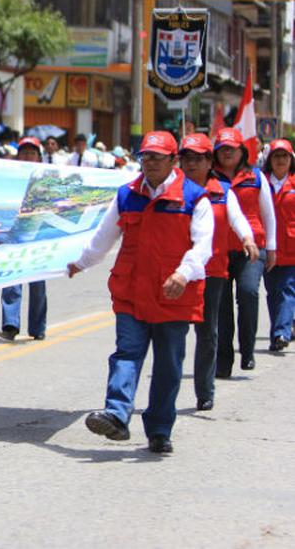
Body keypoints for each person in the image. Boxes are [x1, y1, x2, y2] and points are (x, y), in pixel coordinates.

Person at [67, 131, 212, 453]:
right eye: (145, 157)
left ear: (174, 161)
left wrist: (183, 273)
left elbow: (203, 247)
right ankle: (117, 415)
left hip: (173, 295)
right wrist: (80, 263)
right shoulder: (126, 195)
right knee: (126, 354)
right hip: (132, 291)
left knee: (168, 365)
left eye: (157, 158)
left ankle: (160, 429)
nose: (149, 163)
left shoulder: (194, 198)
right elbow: (103, 239)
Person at [178, 133, 256, 411]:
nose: (191, 164)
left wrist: (247, 239)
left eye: (198, 158)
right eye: (186, 158)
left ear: (209, 161)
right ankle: (166, 390)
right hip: (176, 272)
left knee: (207, 332)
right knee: (173, 333)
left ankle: (205, 390)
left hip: (212, 271)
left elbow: (237, 219)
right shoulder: (172, 189)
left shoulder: (223, 191)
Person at [212, 127, 276, 375]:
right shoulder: (209, 178)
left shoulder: (257, 176)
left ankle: (247, 350)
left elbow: (268, 214)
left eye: (232, 148)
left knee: (249, 293)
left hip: (253, 247)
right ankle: (223, 360)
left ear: (242, 151)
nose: (227, 153)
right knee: (222, 306)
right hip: (218, 249)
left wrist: (272, 248)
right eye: (223, 149)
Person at [0, 136, 48, 342]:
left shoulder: (47, 180)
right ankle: (10, 324)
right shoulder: (10, 178)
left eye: (32, 152)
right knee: (12, 279)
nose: (28, 155)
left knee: (37, 283)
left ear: (39, 157)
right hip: (14, 235)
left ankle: (37, 327)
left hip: (38, 236)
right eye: (24, 152)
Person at [264, 139, 295, 352]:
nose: (281, 161)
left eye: (284, 156)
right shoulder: (261, 183)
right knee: (273, 292)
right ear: (270, 160)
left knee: (287, 290)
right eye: (277, 156)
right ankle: (278, 331)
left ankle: (281, 332)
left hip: (292, 247)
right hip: (269, 248)